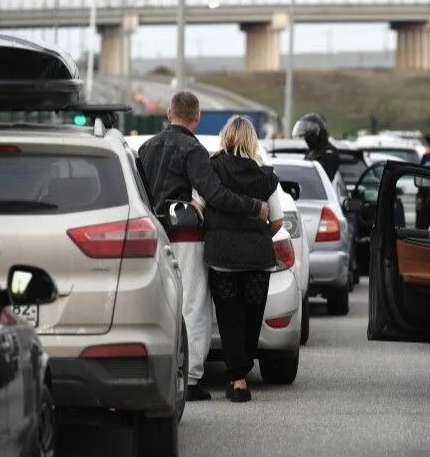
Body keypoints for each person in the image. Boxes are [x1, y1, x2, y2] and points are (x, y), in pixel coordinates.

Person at [138, 91, 269, 402]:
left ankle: (159, 369)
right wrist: (254, 207)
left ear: (169, 114)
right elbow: (215, 194)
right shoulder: (194, 150)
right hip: (187, 238)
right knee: (193, 306)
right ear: (196, 118)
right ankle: (191, 377)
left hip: (150, 237)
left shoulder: (145, 148)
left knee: (158, 304)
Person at [191, 115, 283, 403]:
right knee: (252, 318)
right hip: (257, 257)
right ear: (251, 140)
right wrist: (258, 234)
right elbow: (278, 221)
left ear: (226, 137)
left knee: (229, 316)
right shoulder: (266, 176)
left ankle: (238, 379)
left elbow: (199, 206)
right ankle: (242, 372)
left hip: (223, 257)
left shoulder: (213, 169)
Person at [292, 113, 340, 182]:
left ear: (316, 134)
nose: (306, 139)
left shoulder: (329, 152)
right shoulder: (311, 151)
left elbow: (321, 178)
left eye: (308, 136)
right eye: (305, 137)